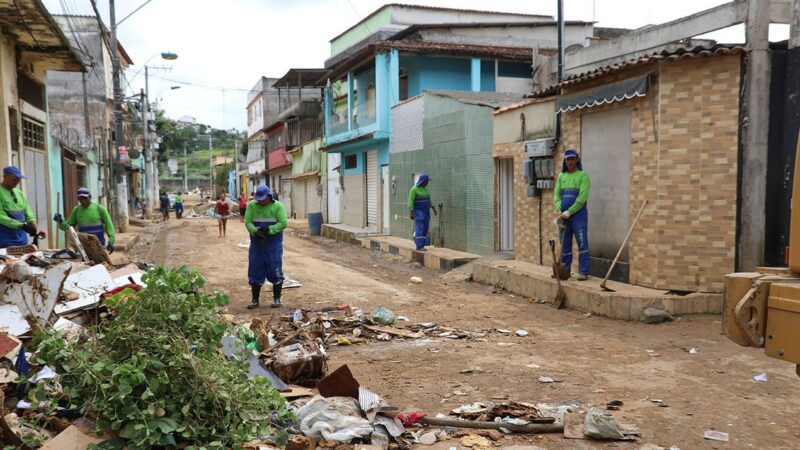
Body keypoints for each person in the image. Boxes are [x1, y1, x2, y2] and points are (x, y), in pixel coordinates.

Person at [245, 184, 288, 309]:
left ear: (269, 196)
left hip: (273, 245)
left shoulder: (278, 206)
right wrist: (255, 231)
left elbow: (283, 223)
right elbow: (247, 222)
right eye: (259, 199)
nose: (261, 201)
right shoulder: (252, 206)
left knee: (275, 270)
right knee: (255, 270)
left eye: (263, 198)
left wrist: (269, 230)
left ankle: (277, 299)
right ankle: (254, 300)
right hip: (257, 245)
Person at [554, 149, 591, 281]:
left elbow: (582, 198)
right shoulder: (561, 176)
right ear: (565, 161)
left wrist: (571, 211)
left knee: (582, 243)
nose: (570, 162)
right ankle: (565, 271)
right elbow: (556, 195)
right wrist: (560, 209)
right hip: (564, 216)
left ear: (577, 160)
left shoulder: (583, 176)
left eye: (572, 159)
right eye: (568, 159)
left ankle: (583, 272)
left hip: (578, 216)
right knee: (565, 244)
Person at [54, 188, 115, 253]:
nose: (83, 201)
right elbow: (68, 227)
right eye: (80, 199)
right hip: (84, 246)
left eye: (85, 198)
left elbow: (109, 225)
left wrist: (111, 241)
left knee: (100, 263)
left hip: (99, 245)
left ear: (90, 197)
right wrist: (60, 220)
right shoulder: (76, 210)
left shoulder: (99, 208)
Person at [0, 166, 38, 248]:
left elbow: (27, 211)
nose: (16, 182)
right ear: (5, 177)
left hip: (22, 241)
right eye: (14, 180)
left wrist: (33, 224)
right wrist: (22, 226)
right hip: (5, 242)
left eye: (18, 180)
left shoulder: (19, 193)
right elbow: (1, 216)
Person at [408, 173, 437, 251]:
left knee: (425, 228)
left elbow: (429, 201)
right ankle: (419, 246)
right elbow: (410, 201)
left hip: (426, 211)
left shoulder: (426, 190)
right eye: (427, 181)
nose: (427, 183)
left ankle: (422, 244)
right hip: (418, 211)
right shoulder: (414, 189)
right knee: (420, 227)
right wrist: (411, 212)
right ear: (423, 181)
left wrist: (433, 208)